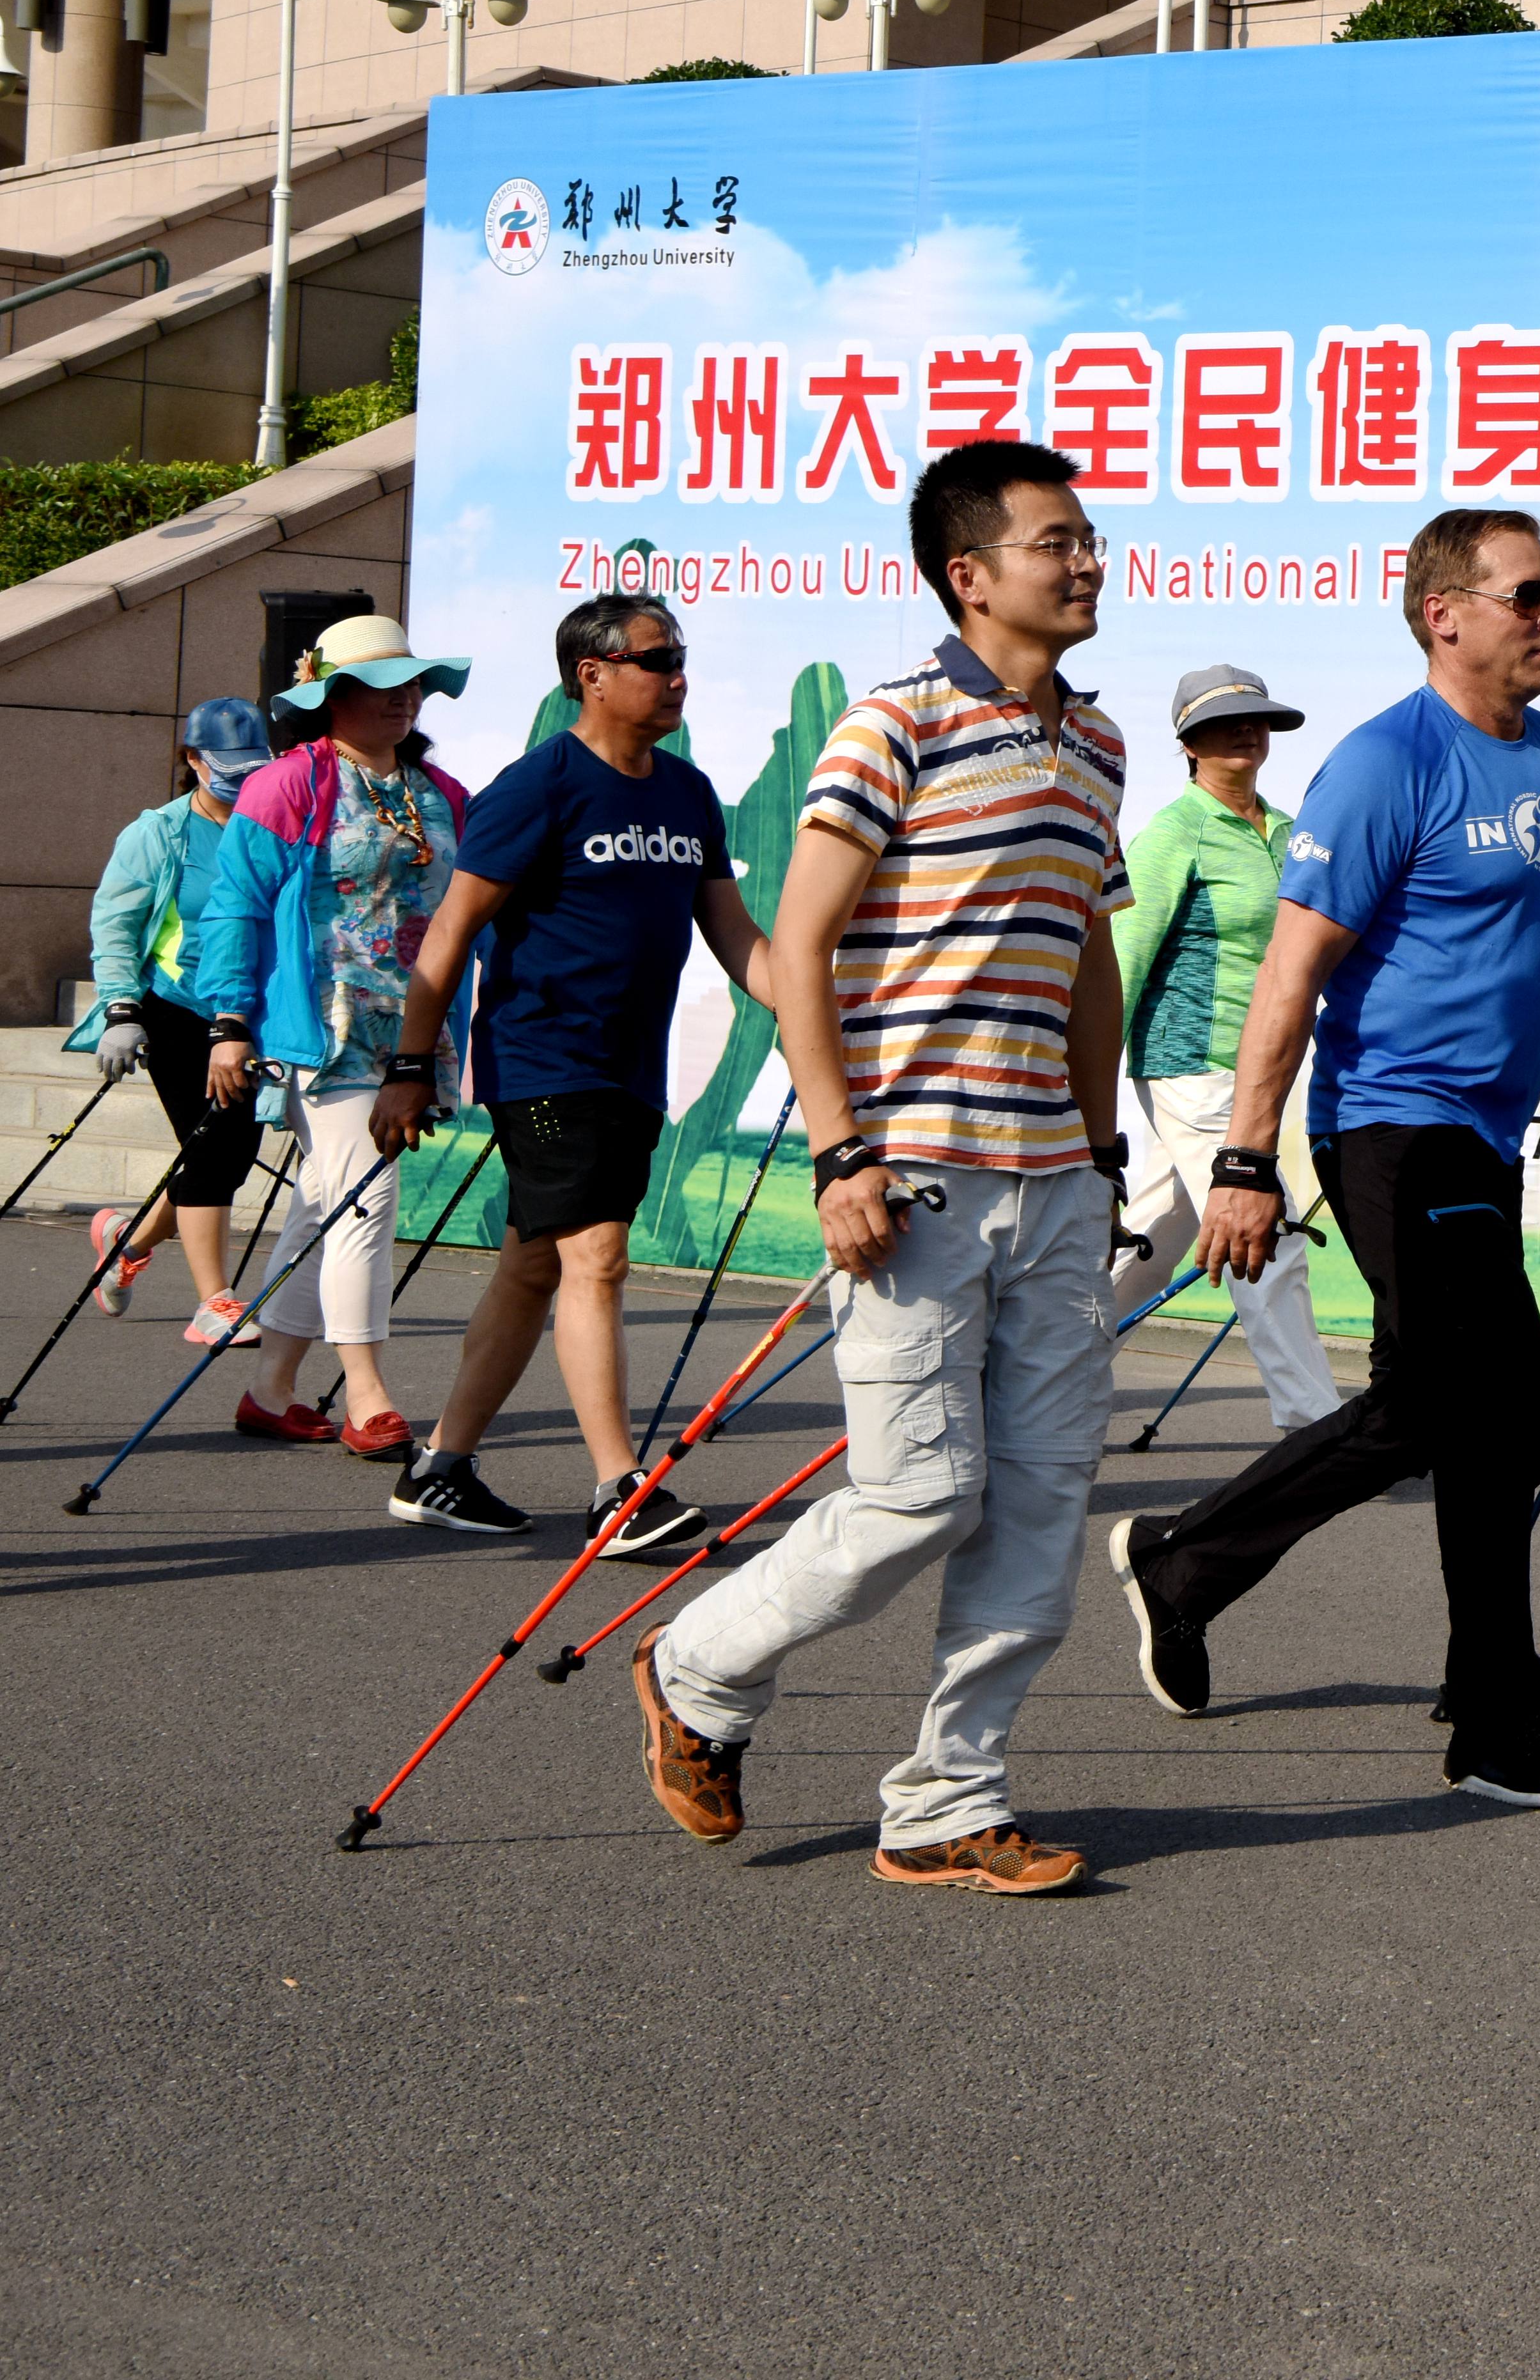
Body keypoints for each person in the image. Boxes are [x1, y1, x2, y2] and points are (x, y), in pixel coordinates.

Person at [1107, 508, 1540, 1814]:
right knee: (1504, 1394)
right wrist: (1243, 1158)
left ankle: (1184, 1561)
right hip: (1395, 1125)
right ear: (1443, 612)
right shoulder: (1384, 763)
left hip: (1485, 1131)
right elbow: (1292, 972)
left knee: (1427, 1406)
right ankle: (1494, 1717)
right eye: (1528, 594)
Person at [632, 439, 1132, 1897]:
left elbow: (1087, 959)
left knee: (1039, 1503)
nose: (1086, 561)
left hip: (1054, 1179)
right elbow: (797, 945)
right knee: (918, 1492)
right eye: (1056, 542)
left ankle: (948, 1800)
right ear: (969, 574)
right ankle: (699, 1666)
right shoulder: (891, 723)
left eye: (1089, 538)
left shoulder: (1099, 743)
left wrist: (1103, 1152)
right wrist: (838, 1148)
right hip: (913, 1175)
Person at [368, 595, 775, 1550]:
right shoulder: (536, 786)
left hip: (631, 1070)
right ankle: (619, 1489)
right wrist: (411, 1065)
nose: (677, 676)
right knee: (598, 1258)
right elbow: (451, 932)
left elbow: (736, 938)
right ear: (591, 674)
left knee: (532, 1265)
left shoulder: (687, 793)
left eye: (679, 658)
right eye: (656, 659)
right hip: (544, 1061)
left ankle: (440, 1468)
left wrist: (816, 1013)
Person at [191, 618, 479, 1461]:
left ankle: (271, 1388)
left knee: (325, 1201)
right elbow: (235, 907)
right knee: (366, 1195)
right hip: (326, 1026)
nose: (403, 697)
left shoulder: (444, 792)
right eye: (380, 683)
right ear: (331, 696)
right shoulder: (287, 784)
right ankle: (367, 1392)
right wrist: (229, 1022)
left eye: (412, 681)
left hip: (418, 1027)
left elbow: (476, 910)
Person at [1114, 663, 1341, 1432]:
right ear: (1188, 742)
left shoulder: (1289, 832)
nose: (1246, 731)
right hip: (1192, 1062)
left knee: (1154, 1238)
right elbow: (1122, 965)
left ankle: (1031, 1386)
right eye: (1222, 722)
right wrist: (1079, 1106)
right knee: (1261, 1231)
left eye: (1257, 718)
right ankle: (1315, 1430)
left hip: (1262, 1067)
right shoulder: (1172, 834)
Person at [77, 698, 273, 1393]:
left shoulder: (270, 824)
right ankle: (216, 1301)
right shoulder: (158, 833)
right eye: (227, 769)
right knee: (215, 1145)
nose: (241, 783)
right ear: (192, 759)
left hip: (247, 1011)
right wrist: (120, 1009)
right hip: (175, 1010)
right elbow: (116, 922)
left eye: (253, 770)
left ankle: (126, 1242)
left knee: (228, 1151)